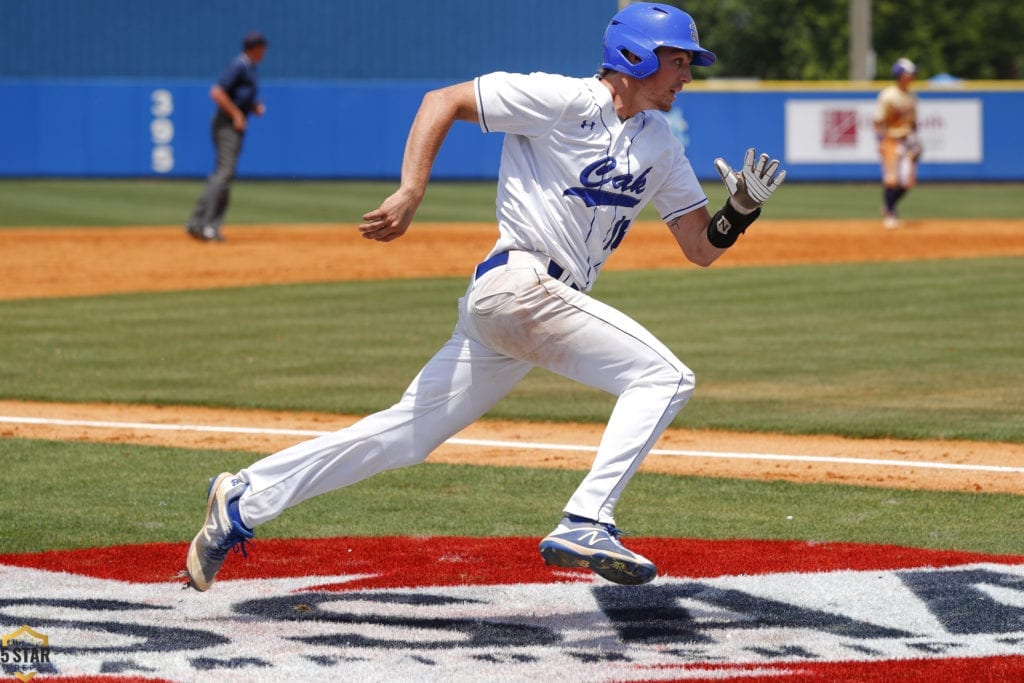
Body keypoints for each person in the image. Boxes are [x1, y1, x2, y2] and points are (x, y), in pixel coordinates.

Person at [184, 2, 786, 590]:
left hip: (526, 308)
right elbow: (442, 101)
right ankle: (587, 518)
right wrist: (410, 190)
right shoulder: (564, 100)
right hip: (519, 285)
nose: (688, 74)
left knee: (408, 434)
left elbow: (700, 246)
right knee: (665, 378)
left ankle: (243, 499)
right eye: (679, 60)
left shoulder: (660, 141)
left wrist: (740, 211)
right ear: (632, 55)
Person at [184, 32, 268, 242]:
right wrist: (236, 113)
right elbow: (217, 92)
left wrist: (251, 107)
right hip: (226, 125)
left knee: (223, 174)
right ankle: (208, 226)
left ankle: (197, 223)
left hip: (230, 125)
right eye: (262, 47)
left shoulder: (249, 66)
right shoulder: (239, 65)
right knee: (224, 174)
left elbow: (236, 95)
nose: (264, 51)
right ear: (255, 48)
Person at [874, 57, 921, 229]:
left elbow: (913, 123)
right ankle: (891, 212)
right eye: (910, 73)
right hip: (891, 140)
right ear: (900, 75)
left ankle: (888, 206)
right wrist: (880, 141)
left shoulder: (912, 97)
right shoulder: (888, 95)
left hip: (907, 140)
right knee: (892, 180)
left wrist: (916, 141)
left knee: (908, 182)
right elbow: (878, 121)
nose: (913, 76)